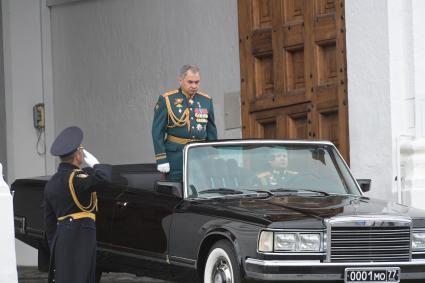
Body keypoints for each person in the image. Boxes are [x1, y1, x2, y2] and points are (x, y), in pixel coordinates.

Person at [43, 126, 112, 283]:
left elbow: (49, 222)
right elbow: (103, 179)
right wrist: (97, 165)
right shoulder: (77, 178)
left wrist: (55, 246)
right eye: (81, 151)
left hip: (61, 238)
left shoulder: (51, 183)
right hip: (80, 236)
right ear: (78, 156)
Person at [152, 65, 217, 181]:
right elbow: (157, 132)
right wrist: (161, 159)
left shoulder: (206, 100)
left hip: (200, 157)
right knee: (176, 193)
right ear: (180, 80)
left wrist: (212, 155)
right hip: (176, 157)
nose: (194, 86)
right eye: (190, 82)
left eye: (197, 82)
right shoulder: (167, 99)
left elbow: (211, 131)